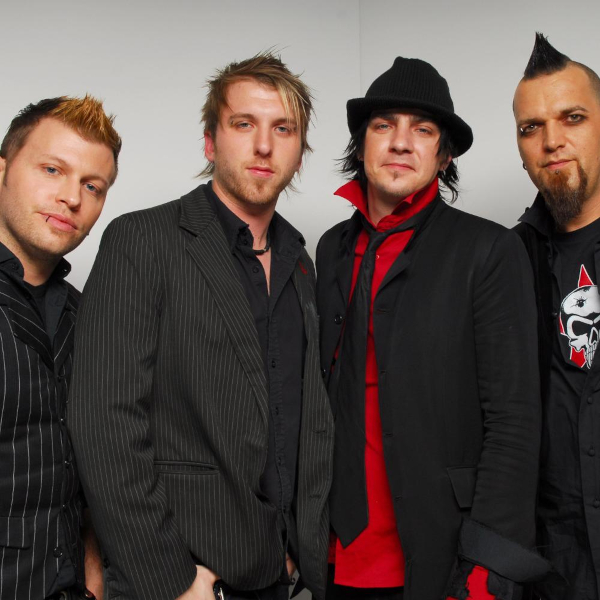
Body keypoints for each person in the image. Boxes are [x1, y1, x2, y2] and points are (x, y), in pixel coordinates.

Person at [68, 52, 334, 600]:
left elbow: (298, 424)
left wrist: (296, 552)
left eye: (283, 129)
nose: (264, 145)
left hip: (277, 577)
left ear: (300, 152)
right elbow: (103, 424)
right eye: (244, 124)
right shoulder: (143, 240)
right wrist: (172, 579)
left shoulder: (301, 263)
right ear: (211, 142)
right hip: (180, 579)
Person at [317, 56, 550, 600]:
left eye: (422, 130)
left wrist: (489, 565)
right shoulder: (329, 249)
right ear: (361, 145)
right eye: (384, 126)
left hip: (442, 554)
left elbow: (514, 420)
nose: (401, 143)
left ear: (444, 156)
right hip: (332, 556)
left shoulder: (489, 251)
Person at [0, 96, 121, 600]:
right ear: (3, 170)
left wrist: (91, 559)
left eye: (93, 186)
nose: (72, 197)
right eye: (52, 169)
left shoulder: (88, 313)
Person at [514, 33, 600, 600]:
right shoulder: (506, 260)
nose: (551, 141)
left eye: (572, 117)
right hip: (554, 562)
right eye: (531, 127)